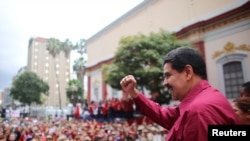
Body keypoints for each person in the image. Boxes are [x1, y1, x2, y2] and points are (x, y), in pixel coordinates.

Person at [120, 46, 239, 141]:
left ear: (188, 72)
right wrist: (133, 92)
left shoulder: (199, 110)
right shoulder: (200, 102)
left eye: (168, 76)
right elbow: (164, 115)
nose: (164, 83)